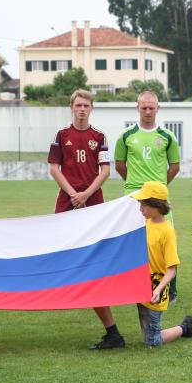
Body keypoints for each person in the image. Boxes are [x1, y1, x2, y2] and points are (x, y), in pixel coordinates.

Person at [48, 89, 124, 350]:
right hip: (68, 197)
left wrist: (87, 193)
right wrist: (72, 193)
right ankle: (64, 289)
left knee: (96, 250)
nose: (82, 109)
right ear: (72, 107)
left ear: (91, 108)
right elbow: (54, 168)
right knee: (60, 244)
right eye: (78, 105)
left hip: (92, 199)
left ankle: (96, 287)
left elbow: (105, 170)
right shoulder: (62, 136)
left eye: (86, 105)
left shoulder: (99, 137)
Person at [114, 91, 181, 301]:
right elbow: (119, 165)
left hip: (158, 198)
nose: (148, 111)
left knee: (166, 240)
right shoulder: (126, 136)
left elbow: (175, 166)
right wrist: (134, 185)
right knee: (133, 241)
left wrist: (159, 187)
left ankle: (171, 290)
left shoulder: (167, 137)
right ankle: (133, 286)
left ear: (158, 109)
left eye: (152, 108)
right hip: (133, 196)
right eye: (144, 108)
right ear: (138, 108)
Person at [131, 181, 192, 346]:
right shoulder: (146, 223)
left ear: (155, 205)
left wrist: (159, 289)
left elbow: (172, 269)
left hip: (156, 291)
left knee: (152, 341)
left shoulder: (167, 232)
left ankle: (186, 327)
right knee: (148, 335)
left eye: (143, 205)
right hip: (142, 287)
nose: (140, 209)